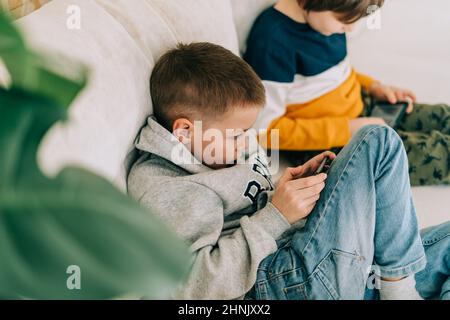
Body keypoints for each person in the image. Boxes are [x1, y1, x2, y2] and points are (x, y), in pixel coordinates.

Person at [127, 42, 450, 300]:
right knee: (377, 140)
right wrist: (277, 216)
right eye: (237, 134)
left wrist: (287, 189)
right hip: (284, 284)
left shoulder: (211, 148)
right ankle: (399, 291)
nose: (245, 143)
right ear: (184, 131)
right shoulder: (168, 187)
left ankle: (391, 285)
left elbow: (249, 205)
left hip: (322, 264)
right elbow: (191, 289)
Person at [244, 0, 450, 186]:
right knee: (436, 154)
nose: (352, 27)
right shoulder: (271, 41)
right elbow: (266, 130)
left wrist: (373, 86)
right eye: (344, 20)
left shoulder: (325, 18)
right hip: (328, 144)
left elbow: (338, 73)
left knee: (443, 114)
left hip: (362, 108)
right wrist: (347, 129)